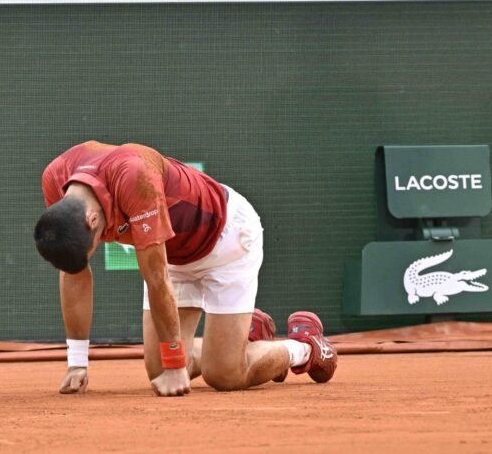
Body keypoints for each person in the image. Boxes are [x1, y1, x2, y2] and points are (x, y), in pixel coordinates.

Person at [34, 140, 338, 396]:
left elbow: (156, 278)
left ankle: (306, 347)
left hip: (225, 240)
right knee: (157, 367)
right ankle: (241, 338)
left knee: (224, 376)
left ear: (92, 220)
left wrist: (177, 365)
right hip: (174, 255)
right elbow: (74, 274)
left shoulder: (134, 175)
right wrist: (77, 362)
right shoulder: (56, 180)